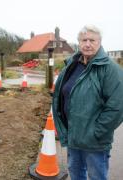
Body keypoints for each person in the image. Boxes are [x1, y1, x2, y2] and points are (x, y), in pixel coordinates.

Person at [52, 25, 123, 180]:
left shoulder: (110, 69)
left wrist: (96, 133)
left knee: (96, 176)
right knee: (76, 174)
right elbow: (60, 96)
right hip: (73, 137)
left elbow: (117, 107)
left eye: (92, 40)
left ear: (100, 42)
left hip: (95, 142)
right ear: (79, 42)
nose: (88, 44)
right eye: (84, 40)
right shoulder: (72, 64)